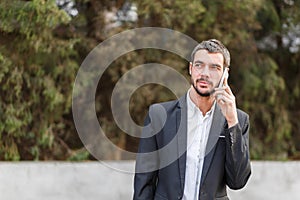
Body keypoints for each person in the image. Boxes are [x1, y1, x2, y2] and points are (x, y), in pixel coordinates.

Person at [133, 39, 251, 200]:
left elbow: (238, 181)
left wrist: (232, 122)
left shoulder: (238, 121)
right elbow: (144, 181)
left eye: (214, 67)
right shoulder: (159, 115)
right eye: (199, 65)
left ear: (225, 74)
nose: (205, 73)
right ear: (190, 68)